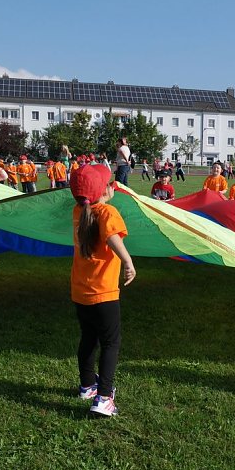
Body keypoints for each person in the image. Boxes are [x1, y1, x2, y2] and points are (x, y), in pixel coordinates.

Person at [69, 164, 136, 416]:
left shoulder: (79, 210)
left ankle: (87, 385)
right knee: (110, 342)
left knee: (88, 337)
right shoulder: (107, 212)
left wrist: (102, 195)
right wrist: (128, 262)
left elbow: (92, 207)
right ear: (103, 190)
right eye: (109, 183)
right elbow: (111, 237)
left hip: (80, 290)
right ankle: (104, 398)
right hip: (104, 291)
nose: (112, 185)